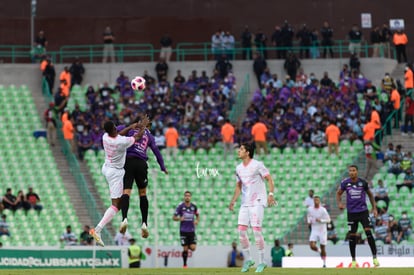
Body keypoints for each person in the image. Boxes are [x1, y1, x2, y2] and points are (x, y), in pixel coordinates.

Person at [89, 118, 148, 247]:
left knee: (120, 200)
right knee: (116, 205)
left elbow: (118, 135)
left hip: (106, 167)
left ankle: (101, 228)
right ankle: (97, 229)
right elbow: (137, 137)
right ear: (115, 128)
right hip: (116, 173)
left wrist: (130, 126)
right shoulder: (122, 142)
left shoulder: (105, 137)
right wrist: (143, 127)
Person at [228, 143, 277, 273]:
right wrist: (233, 201)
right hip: (245, 203)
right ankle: (249, 259)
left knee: (256, 231)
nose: (239, 151)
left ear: (248, 152)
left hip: (258, 201)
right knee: (241, 233)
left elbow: (269, 179)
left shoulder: (257, 165)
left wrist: (271, 194)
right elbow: (238, 186)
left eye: (242, 149)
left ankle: (262, 262)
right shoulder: (238, 168)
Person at [118, 115, 168, 239]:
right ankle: (144, 223)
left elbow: (117, 133)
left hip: (128, 162)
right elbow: (156, 152)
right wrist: (162, 167)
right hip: (141, 163)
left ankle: (124, 218)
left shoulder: (129, 130)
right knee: (143, 193)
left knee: (126, 192)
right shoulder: (150, 136)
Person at [336, 165, 380, 268]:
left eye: (354, 170)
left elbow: (370, 195)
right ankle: (354, 261)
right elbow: (338, 194)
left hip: (363, 212)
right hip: (351, 213)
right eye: (350, 171)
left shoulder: (363, 182)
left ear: (357, 171)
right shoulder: (345, 183)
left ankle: (375, 258)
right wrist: (339, 203)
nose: (352, 172)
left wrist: (374, 208)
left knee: (368, 232)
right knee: (352, 236)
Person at [173, 191, 200, 268]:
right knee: (185, 249)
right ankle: (185, 265)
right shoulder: (180, 206)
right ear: (184, 197)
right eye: (186, 196)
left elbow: (198, 215)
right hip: (183, 231)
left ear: (190, 197)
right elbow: (174, 217)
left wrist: (197, 221)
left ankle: (186, 245)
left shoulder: (194, 206)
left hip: (191, 231)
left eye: (189, 196)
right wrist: (179, 218)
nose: (187, 197)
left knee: (193, 248)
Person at [307, 196, 331, 268]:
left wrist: (321, 220)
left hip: (322, 230)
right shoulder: (310, 209)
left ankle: (324, 263)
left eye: (317, 200)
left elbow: (329, 220)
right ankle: (319, 251)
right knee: (312, 246)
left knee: (323, 247)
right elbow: (308, 216)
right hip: (314, 229)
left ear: (319, 201)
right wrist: (309, 221)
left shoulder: (323, 210)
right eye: (315, 200)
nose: (316, 201)